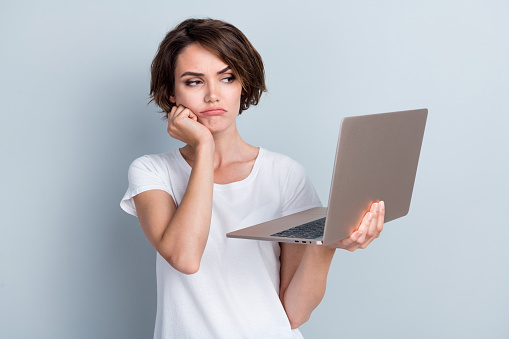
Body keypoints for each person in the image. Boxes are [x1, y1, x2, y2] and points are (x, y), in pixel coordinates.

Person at [120, 18, 385, 339]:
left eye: (227, 77)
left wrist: (326, 243)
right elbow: (185, 257)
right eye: (194, 82)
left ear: (243, 83)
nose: (213, 95)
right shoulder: (152, 172)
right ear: (171, 93)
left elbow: (295, 312)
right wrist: (204, 146)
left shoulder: (285, 174)